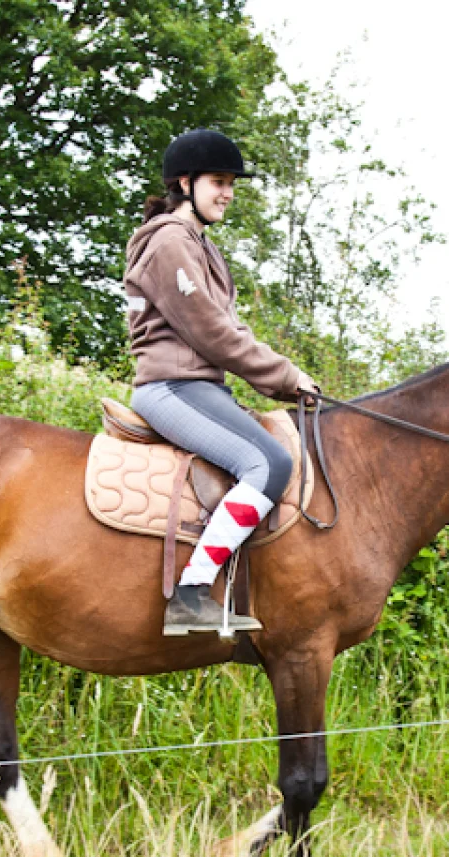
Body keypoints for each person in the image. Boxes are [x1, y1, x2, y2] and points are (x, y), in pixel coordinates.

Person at [123, 129, 319, 637]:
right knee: (268, 462)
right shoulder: (169, 242)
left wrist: (284, 381)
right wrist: (285, 376)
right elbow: (211, 332)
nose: (227, 192)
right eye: (218, 181)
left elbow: (230, 327)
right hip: (171, 388)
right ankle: (190, 596)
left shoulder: (199, 246)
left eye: (231, 183)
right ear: (185, 183)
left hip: (199, 387)